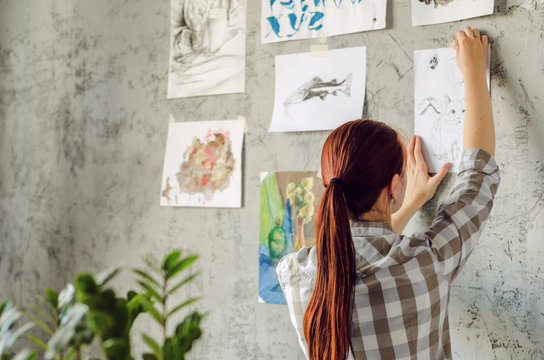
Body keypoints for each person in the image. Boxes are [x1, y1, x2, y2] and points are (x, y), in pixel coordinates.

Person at [276, 27, 500, 360]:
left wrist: (410, 203)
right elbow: (476, 177)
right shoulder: (426, 260)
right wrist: (474, 73)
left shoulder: (294, 273)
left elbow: (353, 249)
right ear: (392, 186)